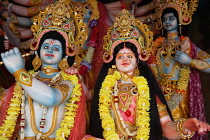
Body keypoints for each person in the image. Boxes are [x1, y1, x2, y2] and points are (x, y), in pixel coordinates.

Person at [88, 9, 210, 140]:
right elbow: (83, 95)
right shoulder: (106, 89)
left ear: (138, 60)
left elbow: (167, 127)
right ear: (113, 60)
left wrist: (185, 125)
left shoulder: (147, 89)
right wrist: (75, 73)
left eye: (130, 55)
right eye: (120, 56)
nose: (125, 59)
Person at [0, 1, 90, 139]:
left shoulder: (69, 80)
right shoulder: (26, 80)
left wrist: (18, 71)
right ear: (37, 50)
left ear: (65, 54)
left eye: (56, 48)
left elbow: (51, 98)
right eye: (46, 47)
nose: (50, 50)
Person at [149, 1, 210, 139]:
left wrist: (190, 61)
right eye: (164, 19)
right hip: (159, 96)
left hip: (181, 95)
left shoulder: (187, 45)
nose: (167, 22)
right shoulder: (155, 47)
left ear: (180, 19)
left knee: (184, 129)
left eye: (171, 18)